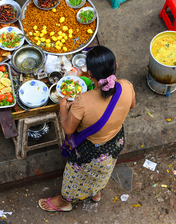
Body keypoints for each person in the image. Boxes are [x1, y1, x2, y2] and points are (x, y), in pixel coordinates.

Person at [38, 46, 136, 212]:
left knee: (76, 175)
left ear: (89, 74)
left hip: (90, 152)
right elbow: (132, 105)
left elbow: (68, 130)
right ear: (116, 66)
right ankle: (95, 192)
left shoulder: (82, 101)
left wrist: (63, 107)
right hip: (115, 142)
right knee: (103, 171)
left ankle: (64, 201)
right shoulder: (126, 85)